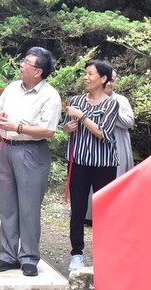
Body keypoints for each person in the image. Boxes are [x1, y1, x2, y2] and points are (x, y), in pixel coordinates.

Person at [0, 47, 62, 277]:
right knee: (7, 205)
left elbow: (48, 131)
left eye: (26, 62)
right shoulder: (12, 88)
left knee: (29, 208)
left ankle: (29, 257)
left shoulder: (50, 96)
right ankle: (8, 256)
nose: (21, 65)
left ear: (38, 71)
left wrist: (18, 127)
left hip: (32, 152)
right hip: (5, 150)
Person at [63, 59, 119, 272]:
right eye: (84, 73)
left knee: (104, 210)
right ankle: (76, 254)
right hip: (78, 163)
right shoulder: (76, 100)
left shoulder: (111, 103)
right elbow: (65, 129)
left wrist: (82, 116)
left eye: (90, 74)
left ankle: (105, 255)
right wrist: (68, 127)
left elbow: (103, 134)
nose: (85, 77)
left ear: (103, 79)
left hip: (104, 165)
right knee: (77, 210)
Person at [84, 70, 135, 222]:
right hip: (93, 147)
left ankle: (114, 216)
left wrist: (110, 109)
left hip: (117, 146)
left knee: (116, 181)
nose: (109, 84)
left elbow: (128, 122)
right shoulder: (88, 99)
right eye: (107, 80)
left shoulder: (121, 100)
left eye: (112, 80)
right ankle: (90, 215)